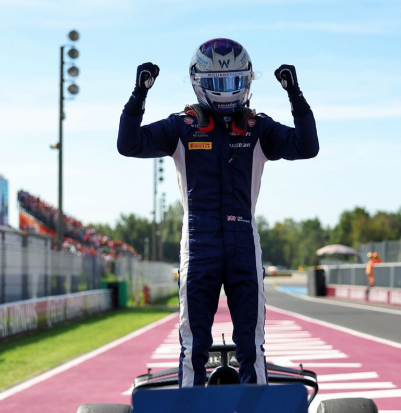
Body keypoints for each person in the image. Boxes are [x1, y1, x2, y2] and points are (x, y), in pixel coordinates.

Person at [117, 38, 318, 387]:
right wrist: (139, 95)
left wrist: (295, 96)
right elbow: (128, 144)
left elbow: (307, 146)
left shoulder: (259, 128)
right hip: (198, 245)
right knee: (193, 345)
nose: (226, 92)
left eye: (233, 83)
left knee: (251, 347)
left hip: (244, 243)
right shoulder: (181, 126)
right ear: (198, 83)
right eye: (217, 84)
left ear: (248, 81)